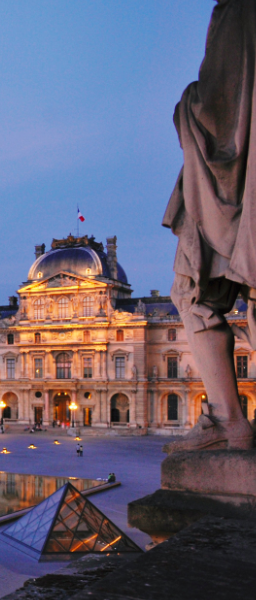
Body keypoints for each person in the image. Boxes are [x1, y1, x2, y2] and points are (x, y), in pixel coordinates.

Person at [163, 0, 256, 452]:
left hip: (230, 188)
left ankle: (226, 418)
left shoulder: (238, 11)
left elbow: (212, 104)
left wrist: (185, 105)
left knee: (191, 292)